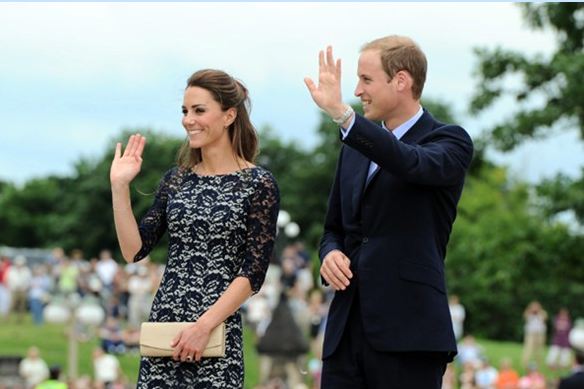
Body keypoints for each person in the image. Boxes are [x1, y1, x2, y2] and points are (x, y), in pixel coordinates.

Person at [304, 35, 474, 388]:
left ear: (401, 81)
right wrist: (330, 253)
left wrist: (343, 116)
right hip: (345, 333)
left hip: (410, 335)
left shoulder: (450, 141)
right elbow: (333, 228)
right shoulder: (352, 149)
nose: (357, 90)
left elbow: (410, 163)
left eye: (366, 80)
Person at [110, 68, 280, 387]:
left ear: (229, 115)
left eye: (199, 110)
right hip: (166, 329)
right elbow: (134, 250)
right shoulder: (176, 180)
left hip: (215, 332)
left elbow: (253, 272)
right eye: (185, 111)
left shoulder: (259, 184)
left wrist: (204, 326)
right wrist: (119, 188)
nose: (189, 119)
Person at [522, 300, 547, 368]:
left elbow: (544, 318)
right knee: (528, 348)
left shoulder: (542, 313)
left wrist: (538, 312)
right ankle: (525, 363)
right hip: (531, 334)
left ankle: (538, 364)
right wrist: (530, 311)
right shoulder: (529, 313)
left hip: (539, 334)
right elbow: (525, 316)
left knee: (538, 350)